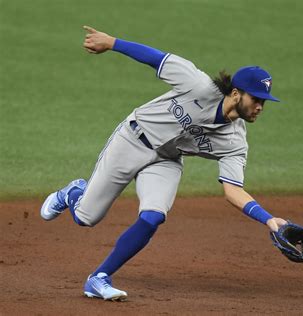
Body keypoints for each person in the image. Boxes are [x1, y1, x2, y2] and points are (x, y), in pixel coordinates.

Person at [40, 25, 287, 301]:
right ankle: (73, 193)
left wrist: (268, 219)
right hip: (132, 140)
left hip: (166, 161)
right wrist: (111, 42)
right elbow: (156, 58)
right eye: (256, 99)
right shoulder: (198, 84)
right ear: (236, 93)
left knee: (153, 216)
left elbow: (233, 190)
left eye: (264, 102)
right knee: (86, 218)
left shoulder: (235, 142)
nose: (260, 107)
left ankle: (99, 277)